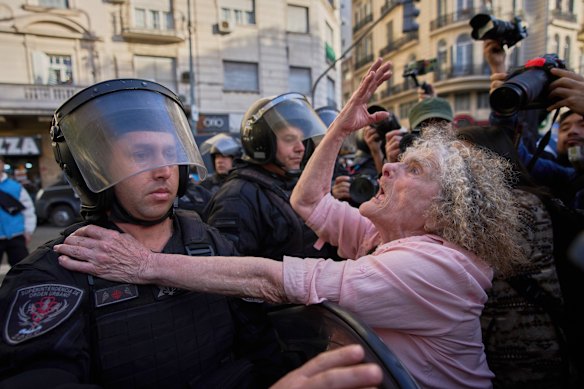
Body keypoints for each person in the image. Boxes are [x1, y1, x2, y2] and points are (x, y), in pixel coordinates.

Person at [56, 59, 527, 388]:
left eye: (413, 170)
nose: (388, 168)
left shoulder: (430, 266)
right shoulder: (394, 236)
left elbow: (269, 280)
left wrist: (144, 265)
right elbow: (310, 199)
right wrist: (340, 129)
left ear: (445, 209)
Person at [0, 79, 292, 388]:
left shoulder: (210, 243)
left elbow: (262, 347)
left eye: (169, 153)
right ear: (95, 170)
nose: (163, 170)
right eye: (141, 155)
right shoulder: (57, 273)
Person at [203, 92, 340, 261]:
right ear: (263, 142)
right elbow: (229, 274)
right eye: (289, 139)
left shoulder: (291, 182)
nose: (300, 148)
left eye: (302, 140)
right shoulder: (237, 197)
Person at [384, 96, 454, 163]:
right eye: (424, 126)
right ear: (411, 135)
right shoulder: (406, 158)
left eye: (441, 124)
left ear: (453, 127)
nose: (434, 133)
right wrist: (395, 166)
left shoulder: (462, 156)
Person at [0, 155, 36, 267]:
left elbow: (28, 210)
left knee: (21, 270)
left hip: (17, 235)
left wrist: (28, 231)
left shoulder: (15, 187)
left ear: (2, 164)